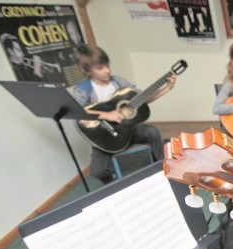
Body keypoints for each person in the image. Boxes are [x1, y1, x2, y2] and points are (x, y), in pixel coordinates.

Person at [69, 44, 175, 184]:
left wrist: (166, 89)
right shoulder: (82, 90)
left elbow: (143, 99)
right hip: (104, 139)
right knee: (97, 171)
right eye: (100, 68)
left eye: (107, 65)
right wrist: (106, 115)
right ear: (87, 70)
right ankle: (115, 185)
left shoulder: (119, 82)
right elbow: (77, 112)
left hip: (128, 131)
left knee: (152, 132)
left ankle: (164, 169)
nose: (107, 70)